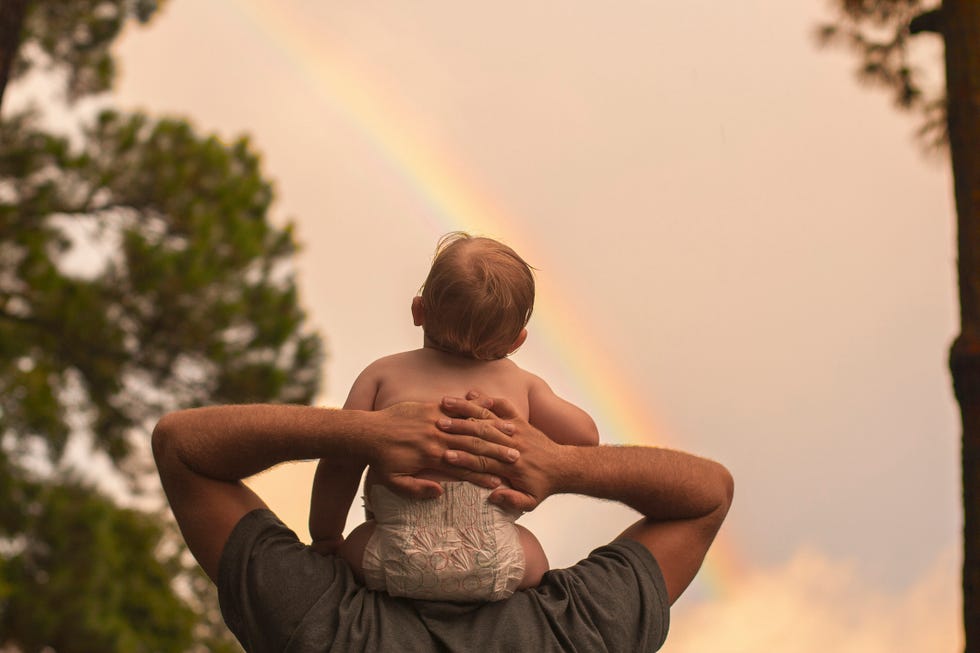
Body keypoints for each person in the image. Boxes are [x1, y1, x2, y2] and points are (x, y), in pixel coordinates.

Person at [152, 393, 733, 652]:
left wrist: (367, 433)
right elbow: (707, 494)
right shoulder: (574, 632)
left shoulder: (322, 625)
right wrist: (558, 463)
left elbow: (182, 446)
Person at [309, 232, 599, 602]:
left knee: (353, 548)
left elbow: (339, 461)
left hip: (393, 554)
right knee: (535, 557)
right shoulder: (522, 384)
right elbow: (587, 438)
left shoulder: (382, 374)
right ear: (516, 341)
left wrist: (327, 537)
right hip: (494, 559)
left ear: (418, 310)